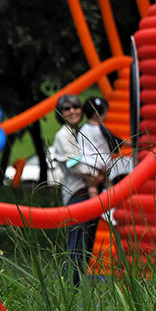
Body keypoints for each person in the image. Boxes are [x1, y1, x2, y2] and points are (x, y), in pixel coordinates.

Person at [51, 94, 102, 285]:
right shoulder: (63, 135)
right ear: (61, 113)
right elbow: (74, 163)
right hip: (77, 194)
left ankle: (77, 287)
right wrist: (96, 173)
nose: (72, 111)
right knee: (78, 244)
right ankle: (69, 287)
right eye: (67, 108)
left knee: (87, 245)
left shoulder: (80, 132)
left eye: (75, 106)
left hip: (90, 191)